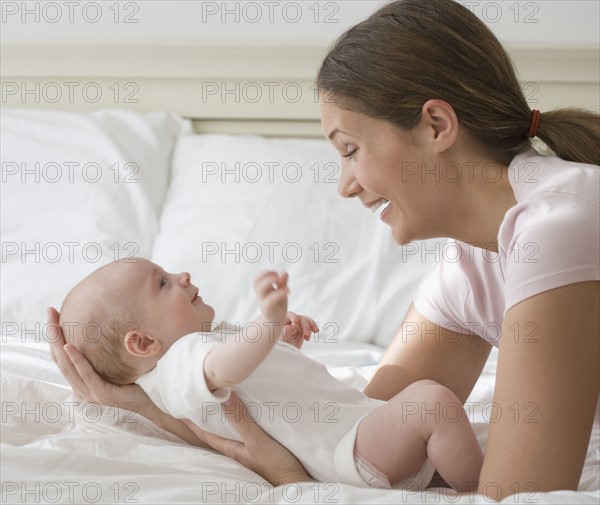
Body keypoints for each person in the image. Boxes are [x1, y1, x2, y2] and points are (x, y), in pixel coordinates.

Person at [49, 0, 599, 499]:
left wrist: (288, 481)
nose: (346, 185)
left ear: (436, 125)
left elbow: (516, 497)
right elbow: (365, 435)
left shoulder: (558, 228)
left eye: (351, 150)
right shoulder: (473, 262)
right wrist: (145, 403)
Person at [57, 257, 483, 491]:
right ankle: (484, 492)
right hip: (347, 454)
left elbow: (257, 377)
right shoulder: (176, 366)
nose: (182, 274)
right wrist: (266, 321)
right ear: (144, 344)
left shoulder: (203, 341)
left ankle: (453, 475)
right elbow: (227, 365)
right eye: (163, 283)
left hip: (358, 433)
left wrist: (282, 339)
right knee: (433, 401)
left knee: (437, 411)